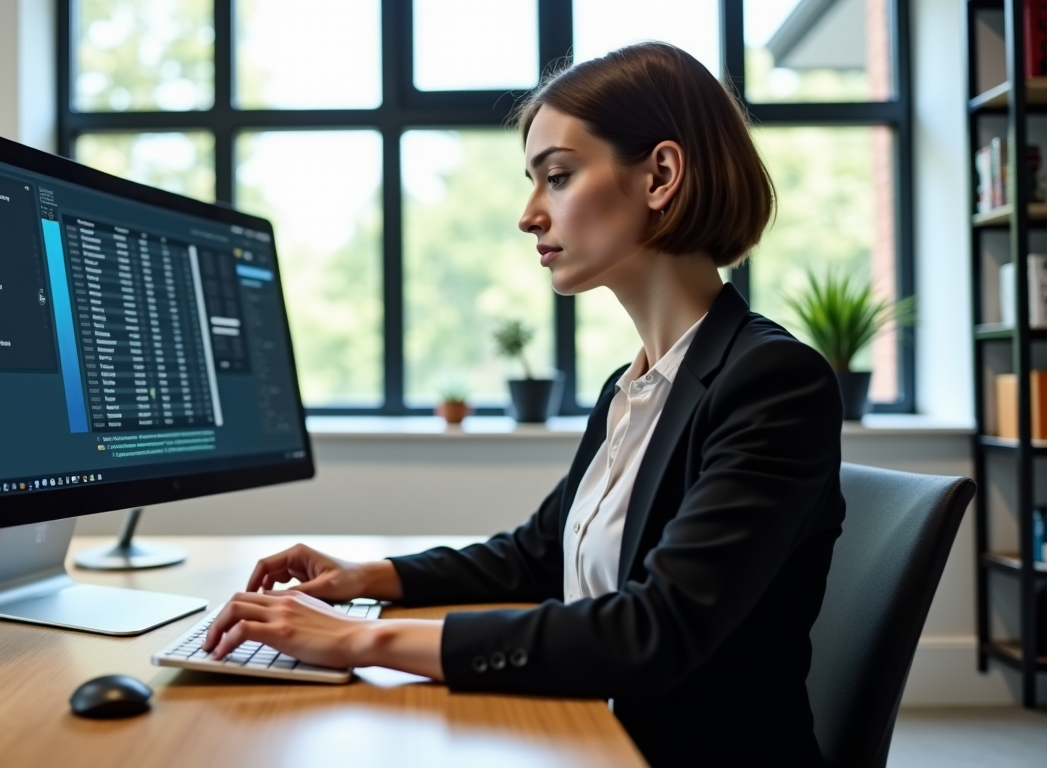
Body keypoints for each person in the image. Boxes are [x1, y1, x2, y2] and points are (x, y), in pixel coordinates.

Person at [202, 42, 844, 768]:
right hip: (594, 737)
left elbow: (654, 631)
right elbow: (536, 555)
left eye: (557, 177)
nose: (529, 215)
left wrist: (360, 638)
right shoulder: (632, 387)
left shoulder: (772, 382)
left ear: (661, 176)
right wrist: (364, 577)